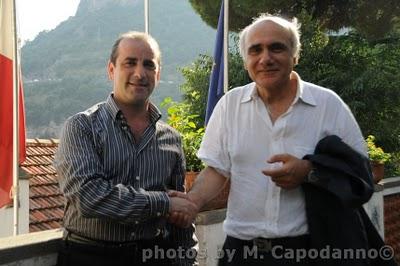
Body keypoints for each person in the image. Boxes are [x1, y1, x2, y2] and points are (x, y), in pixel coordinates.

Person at [170, 14, 376, 265]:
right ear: (246, 61)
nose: (265, 58)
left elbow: (362, 173)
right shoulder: (230, 105)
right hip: (240, 252)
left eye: (276, 47)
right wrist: (193, 202)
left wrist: (309, 171)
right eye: (255, 50)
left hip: (307, 252)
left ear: (295, 56)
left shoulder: (327, 105)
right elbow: (216, 170)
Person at [54, 31, 198, 266]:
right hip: (90, 257)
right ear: (111, 70)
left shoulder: (172, 138)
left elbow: (179, 221)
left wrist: (188, 260)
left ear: (157, 74)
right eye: (130, 63)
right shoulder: (82, 127)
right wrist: (164, 202)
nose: (140, 73)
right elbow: (90, 197)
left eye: (149, 65)